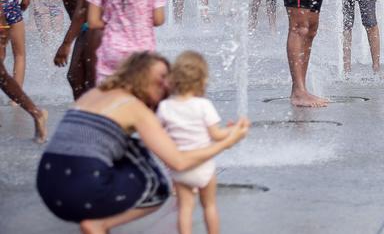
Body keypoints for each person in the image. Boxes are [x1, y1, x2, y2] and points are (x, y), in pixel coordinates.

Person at [36, 52, 249, 233]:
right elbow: (179, 162)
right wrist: (228, 142)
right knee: (157, 181)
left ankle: (98, 223)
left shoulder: (95, 93)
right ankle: (101, 224)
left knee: (125, 148)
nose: (166, 84)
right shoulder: (135, 108)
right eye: (161, 77)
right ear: (140, 75)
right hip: (83, 181)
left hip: (48, 185)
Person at [156, 51, 230, 234]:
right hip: (203, 167)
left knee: (185, 208)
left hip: (180, 168)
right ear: (202, 80)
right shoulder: (203, 105)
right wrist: (233, 130)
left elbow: (157, 133)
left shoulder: (165, 106)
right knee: (209, 206)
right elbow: (217, 135)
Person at [0, 0, 53, 141]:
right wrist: (19, 10)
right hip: (10, 7)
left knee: (1, 55)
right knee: (20, 54)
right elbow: (27, 0)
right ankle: (16, 99)